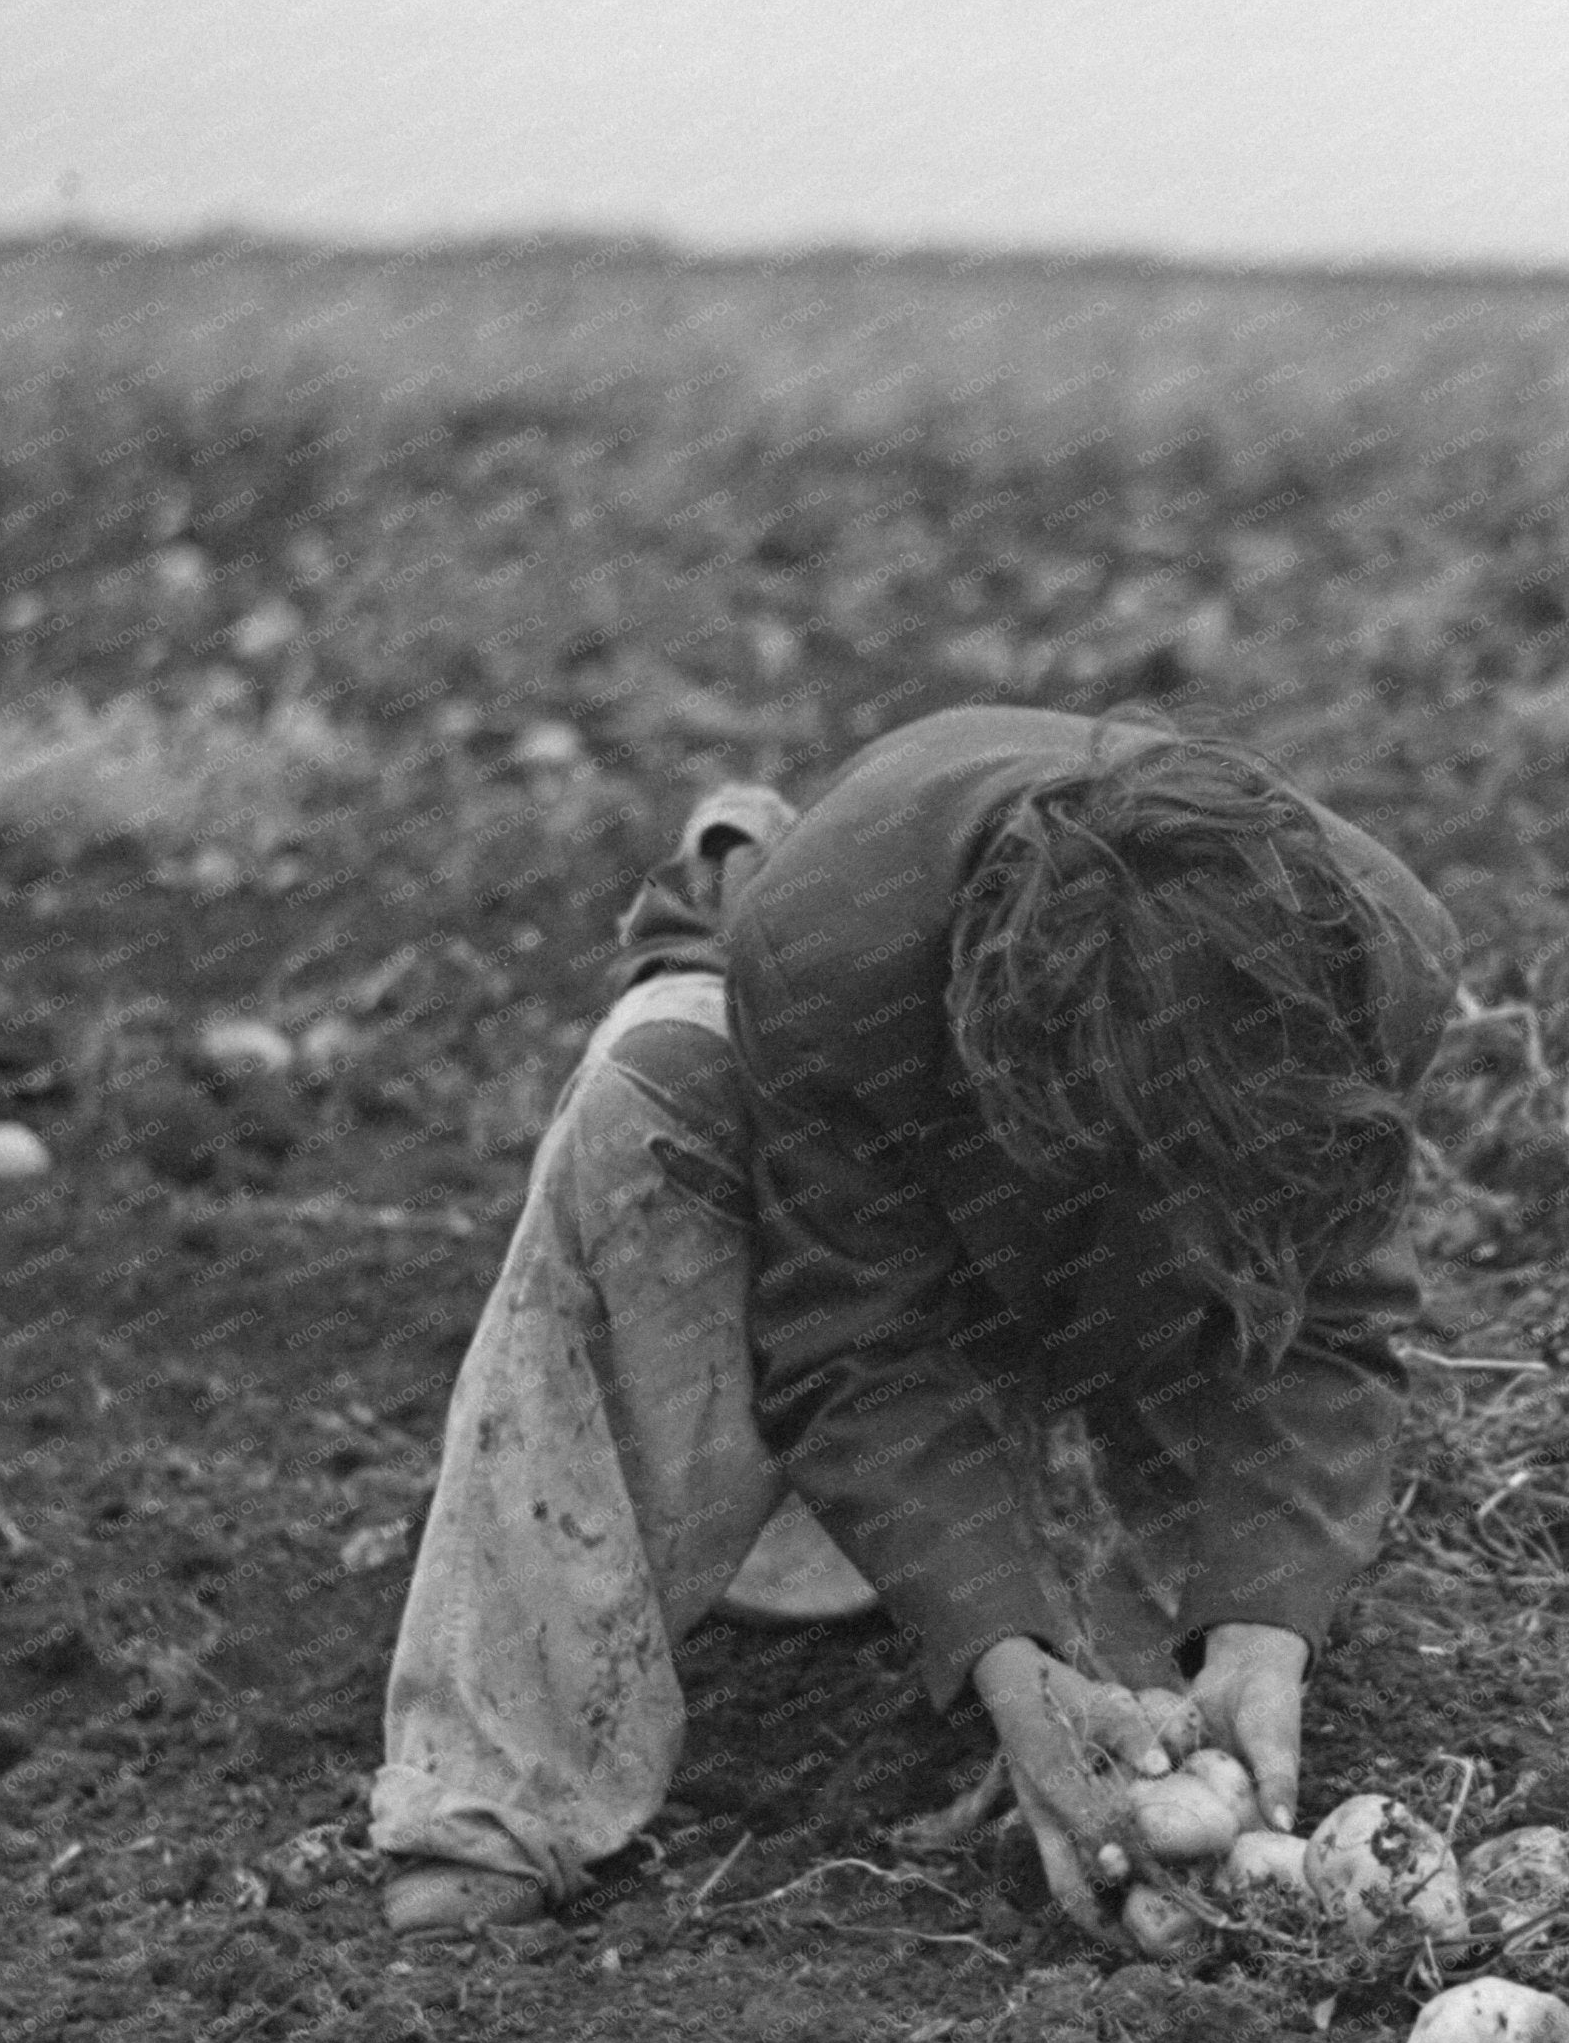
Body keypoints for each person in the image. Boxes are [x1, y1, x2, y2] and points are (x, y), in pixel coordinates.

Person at [369, 704, 1463, 1939]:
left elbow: (1324, 1320)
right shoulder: (840, 952)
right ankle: (499, 1788)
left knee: (1162, 1711)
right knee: (654, 1091)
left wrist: (1264, 1623)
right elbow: (855, 1338)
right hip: (843, 1059)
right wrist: (1006, 1655)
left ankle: (965, 1555)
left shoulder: (1368, 963)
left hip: (1079, 1209)